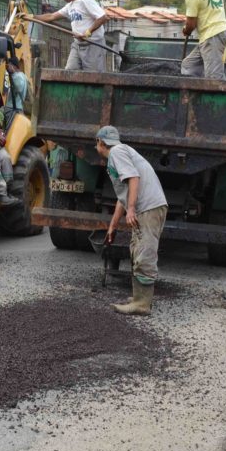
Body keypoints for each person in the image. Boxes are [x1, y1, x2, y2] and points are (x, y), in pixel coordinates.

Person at [97, 126, 168, 316]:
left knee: (144, 252)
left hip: (149, 207)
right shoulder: (120, 153)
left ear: (100, 142)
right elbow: (123, 196)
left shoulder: (116, 152)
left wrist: (131, 209)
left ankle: (142, 304)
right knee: (137, 249)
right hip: (147, 207)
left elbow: (134, 178)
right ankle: (139, 297)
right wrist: (112, 226)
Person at [33, 0, 109, 72]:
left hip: (93, 45)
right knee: (69, 72)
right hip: (77, 45)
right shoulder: (70, 5)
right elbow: (51, 16)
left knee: (93, 76)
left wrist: (87, 32)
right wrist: (32, 17)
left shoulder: (85, 0)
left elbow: (103, 17)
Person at [169, 0, 226, 79]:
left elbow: (191, 24)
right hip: (221, 32)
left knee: (214, 78)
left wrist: (186, 30)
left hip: (212, 36)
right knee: (189, 65)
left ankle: (215, 90)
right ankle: (196, 88)